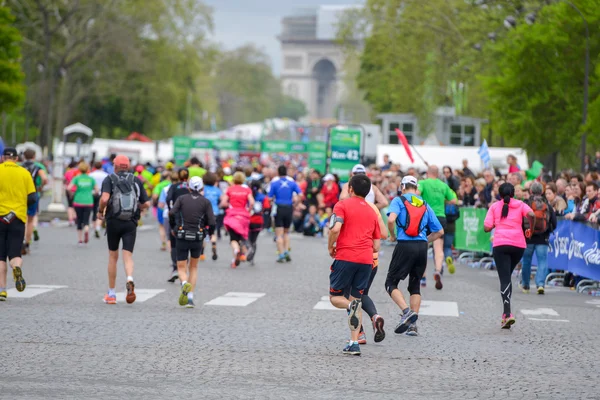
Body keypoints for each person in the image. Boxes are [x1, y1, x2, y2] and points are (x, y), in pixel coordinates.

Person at [328, 174, 381, 356]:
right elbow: (377, 245)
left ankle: (352, 312)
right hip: (366, 260)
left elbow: (335, 229)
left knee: (336, 298)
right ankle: (354, 341)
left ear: (350, 188)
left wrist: (330, 246)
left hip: (346, 256)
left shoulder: (341, 205)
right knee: (356, 299)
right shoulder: (372, 210)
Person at [386, 176, 444, 336]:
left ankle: (406, 312)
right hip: (421, 247)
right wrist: (426, 240)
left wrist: (392, 235)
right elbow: (440, 231)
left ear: (402, 186)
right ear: (416, 187)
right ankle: (413, 326)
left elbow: (391, 220)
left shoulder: (399, 200)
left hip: (405, 245)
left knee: (390, 283)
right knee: (415, 285)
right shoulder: (424, 204)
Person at [97, 155, 150, 305]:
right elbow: (146, 203)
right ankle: (129, 279)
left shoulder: (109, 179)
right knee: (128, 256)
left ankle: (112, 293)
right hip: (131, 222)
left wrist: (101, 211)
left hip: (113, 221)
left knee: (113, 256)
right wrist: (136, 207)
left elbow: (104, 199)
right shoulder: (136, 180)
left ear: (115, 166)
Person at [484, 183, 534, 329]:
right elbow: (531, 214)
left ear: (500, 194)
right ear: (514, 193)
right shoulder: (521, 204)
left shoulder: (494, 206)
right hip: (518, 246)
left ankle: (507, 314)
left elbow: (486, 227)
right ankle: (506, 315)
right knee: (507, 276)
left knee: (505, 278)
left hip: (501, 244)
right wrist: (530, 228)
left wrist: (495, 224)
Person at [170, 176, 215, 308]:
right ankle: (190, 298)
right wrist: (208, 232)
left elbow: (172, 213)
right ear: (202, 188)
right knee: (194, 267)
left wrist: (174, 227)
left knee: (181, 267)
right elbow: (212, 221)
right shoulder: (205, 202)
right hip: (197, 236)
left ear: (188, 187)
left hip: (182, 235)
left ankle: (184, 283)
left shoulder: (182, 199)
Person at [0, 148, 36, 301]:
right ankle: (17, 268)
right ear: (16, 159)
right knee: (15, 253)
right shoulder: (24, 173)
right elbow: (33, 197)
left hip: (0, 217)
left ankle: (2, 290)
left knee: (0, 256)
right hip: (18, 217)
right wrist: (21, 205)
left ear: (3, 157)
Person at [417, 165, 457, 289]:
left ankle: (422, 277)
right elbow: (454, 200)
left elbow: (416, 194)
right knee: (438, 246)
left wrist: (421, 203)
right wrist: (443, 200)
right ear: (438, 173)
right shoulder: (443, 185)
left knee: (423, 245)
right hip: (440, 216)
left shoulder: (422, 183)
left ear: (428, 173)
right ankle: (438, 270)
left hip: (426, 215)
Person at [521, 182, 556, 295]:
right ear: (542, 191)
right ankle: (540, 284)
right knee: (542, 261)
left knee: (526, 261)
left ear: (530, 191)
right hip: (542, 238)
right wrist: (547, 231)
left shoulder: (526, 204)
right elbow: (554, 222)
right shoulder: (547, 205)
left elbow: (520, 220)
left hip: (528, 238)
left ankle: (526, 285)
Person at [268, 165, 301, 263]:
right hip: (289, 207)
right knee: (286, 232)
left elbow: (269, 198)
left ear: (278, 172)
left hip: (279, 207)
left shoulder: (274, 183)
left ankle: (281, 254)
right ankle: (287, 251)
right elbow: (300, 194)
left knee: (279, 233)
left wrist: (272, 202)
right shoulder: (292, 182)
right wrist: (296, 204)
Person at [222, 171, 254, 268]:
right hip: (243, 216)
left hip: (232, 215)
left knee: (233, 239)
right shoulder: (247, 190)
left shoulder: (230, 189)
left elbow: (224, 202)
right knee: (240, 237)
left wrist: (229, 206)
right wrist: (248, 210)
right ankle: (239, 255)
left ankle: (236, 251)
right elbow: (252, 202)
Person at [21, 149, 48, 252]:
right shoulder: (38, 167)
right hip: (33, 194)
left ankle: (21, 241)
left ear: (23, 156)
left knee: (21, 219)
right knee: (30, 220)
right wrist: (40, 187)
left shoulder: (19, 166)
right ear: (34, 156)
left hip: (21, 194)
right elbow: (45, 179)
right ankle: (27, 243)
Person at [68, 162, 97, 246]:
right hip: (88, 201)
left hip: (78, 201)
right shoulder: (91, 179)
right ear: (87, 169)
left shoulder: (77, 178)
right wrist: (92, 194)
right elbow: (97, 190)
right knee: (86, 219)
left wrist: (72, 194)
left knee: (79, 220)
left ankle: (80, 240)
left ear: (79, 169)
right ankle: (87, 229)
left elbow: (69, 187)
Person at [201, 172, 223, 261]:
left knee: (204, 232)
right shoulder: (217, 190)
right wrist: (219, 206)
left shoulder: (203, 189)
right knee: (212, 232)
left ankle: (202, 253)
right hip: (215, 213)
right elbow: (223, 200)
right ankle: (213, 243)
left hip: (205, 213)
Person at [248, 180, 269, 265]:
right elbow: (267, 208)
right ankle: (252, 257)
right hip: (258, 220)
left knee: (247, 238)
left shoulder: (248, 196)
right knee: (254, 240)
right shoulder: (263, 197)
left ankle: (247, 248)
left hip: (248, 219)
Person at [89, 161, 109, 238]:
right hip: (102, 193)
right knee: (100, 211)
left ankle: (94, 227)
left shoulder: (91, 175)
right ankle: (97, 227)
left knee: (93, 211)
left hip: (92, 193)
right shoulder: (105, 175)